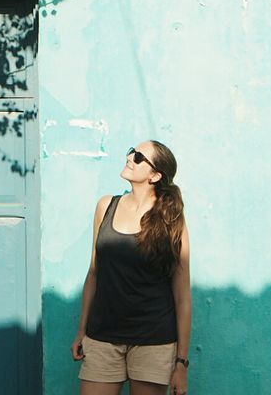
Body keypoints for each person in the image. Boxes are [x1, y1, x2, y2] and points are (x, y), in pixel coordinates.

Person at [71, 140, 191, 395]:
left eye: (138, 157)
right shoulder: (106, 206)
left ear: (155, 175)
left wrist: (181, 363)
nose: (129, 158)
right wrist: (82, 330)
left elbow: (182, 296)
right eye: (131, 152)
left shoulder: (171, 218)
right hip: (102, 336)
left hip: (153, 340)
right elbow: (94, 273)